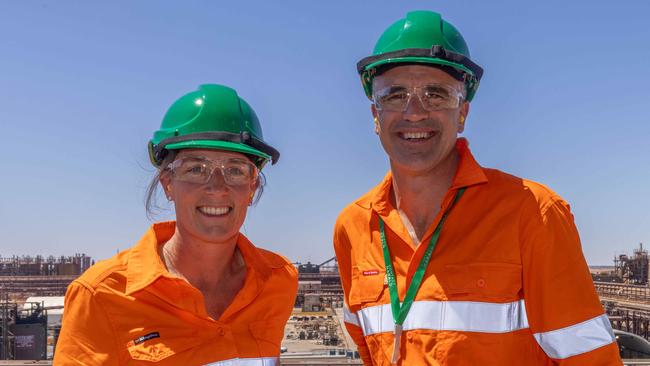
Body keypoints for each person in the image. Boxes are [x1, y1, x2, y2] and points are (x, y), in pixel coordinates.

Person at [333, 11, 622, 365]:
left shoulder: (531, 213)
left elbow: (590, 358)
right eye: (394, 95)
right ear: (375, 116)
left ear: (463, 112)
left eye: (436, 94)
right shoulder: (354, 228)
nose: (414, 111)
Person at [54, 84, 298, 365]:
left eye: (235, 170)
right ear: (168, 183)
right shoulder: (100, 296)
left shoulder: (278, 281)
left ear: (252, 186)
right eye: (195, 168)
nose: (217, 188)